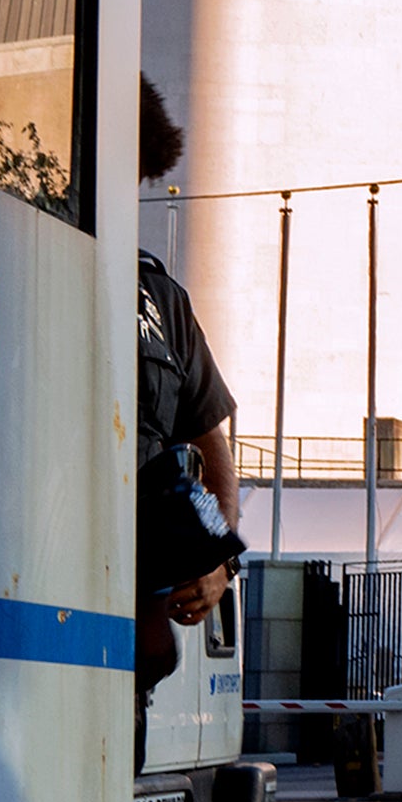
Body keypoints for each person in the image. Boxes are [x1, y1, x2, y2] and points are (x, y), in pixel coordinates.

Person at [135, 77, 240, 723]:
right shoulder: (41, 258)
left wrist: (216, 563)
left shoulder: (162, 298)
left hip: (135, 674)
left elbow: (213, 449)